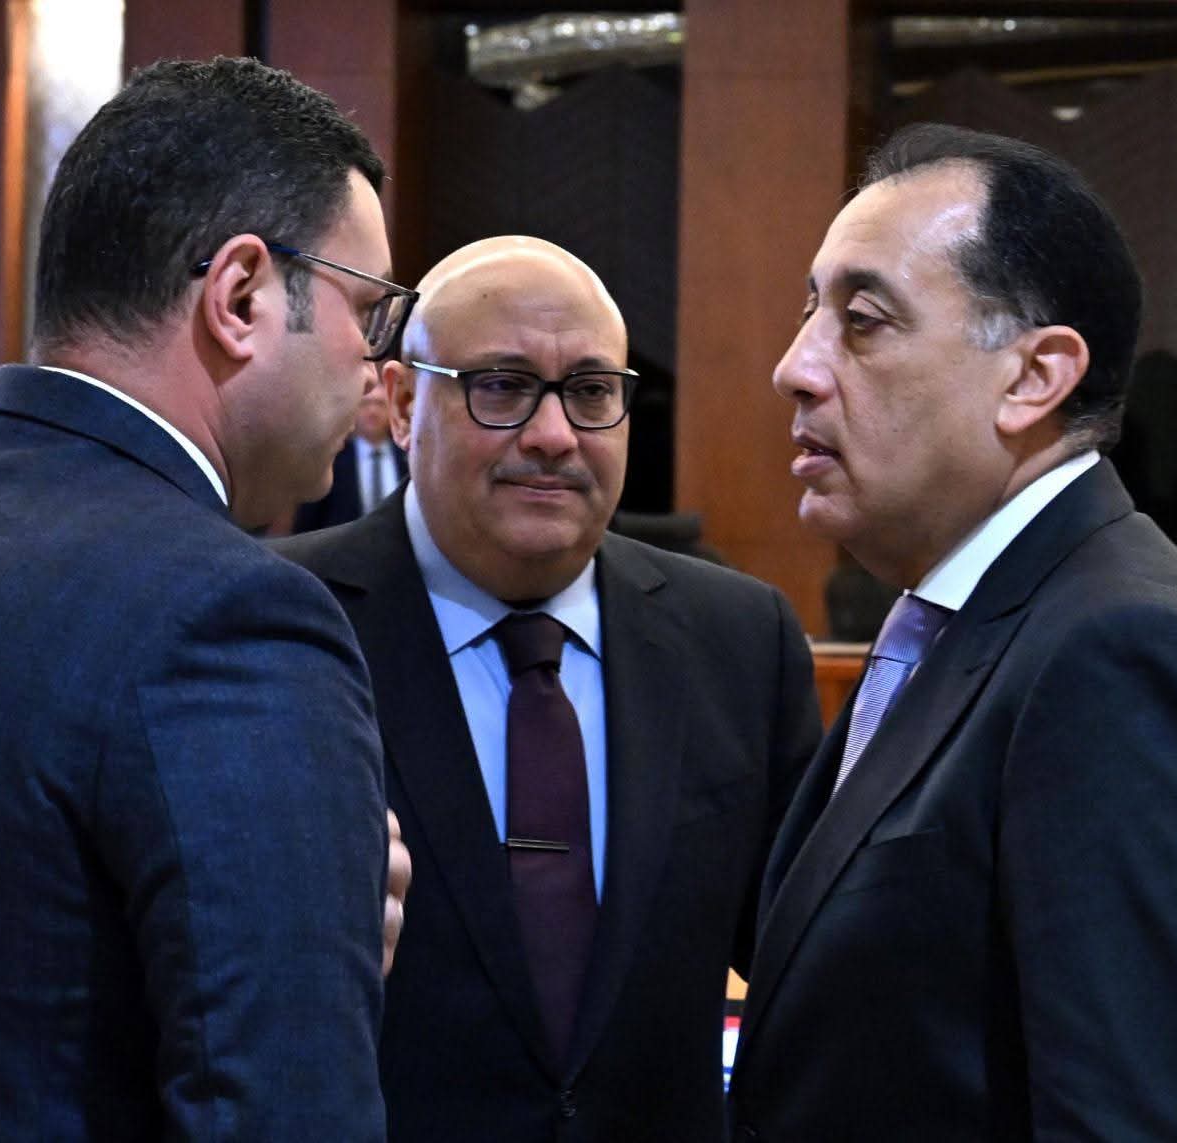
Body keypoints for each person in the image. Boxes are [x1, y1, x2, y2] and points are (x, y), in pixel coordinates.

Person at [0, 57, 409, 1141]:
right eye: (372, 311)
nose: (376, 369)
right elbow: (283, 1105)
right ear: (241, 297)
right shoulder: (233, 617)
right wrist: (314, 967)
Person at [728, 123, 1177, 1142]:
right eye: (807, 311)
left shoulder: (1126, 656)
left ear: (1034, 377)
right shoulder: (957, 622)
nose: (795, 368)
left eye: (861, 321)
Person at [270, 235, 822, 1143]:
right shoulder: (281, 623)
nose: (555, 435)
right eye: (502, 386)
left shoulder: (739, 639)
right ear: (404, 403)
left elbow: (806, 971)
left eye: (592, 392)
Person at [295, 387, 407, 531]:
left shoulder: (407, 457)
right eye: (365, 403)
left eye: (380, 404)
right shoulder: (332, 459)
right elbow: (310, 520)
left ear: (392, 411)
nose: (372, 411)